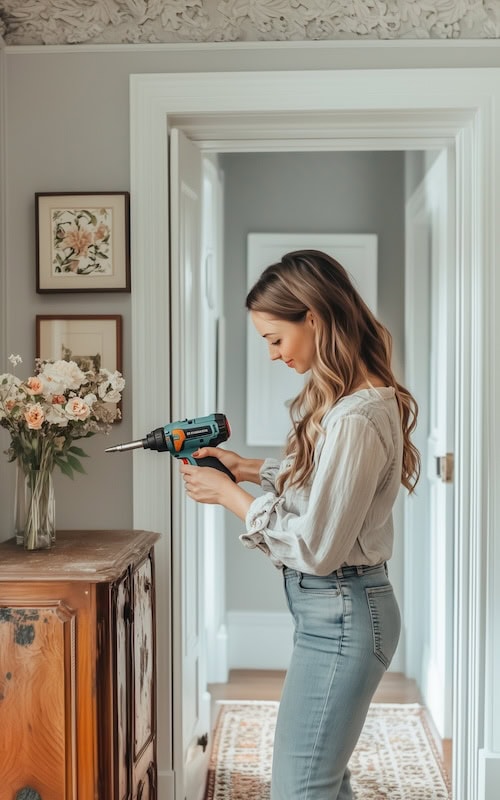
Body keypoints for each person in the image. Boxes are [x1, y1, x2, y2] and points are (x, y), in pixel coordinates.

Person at [180, 249, 420, 800]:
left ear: (313, 317)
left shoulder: (356, 416)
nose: (272, 354)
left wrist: (231, 496)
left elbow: (316, 547)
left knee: (303, 786)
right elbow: (327, 488)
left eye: (275, 338)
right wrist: (247, 467)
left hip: (343, 613)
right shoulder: (352, 402)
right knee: (321, 782)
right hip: (335, 612)